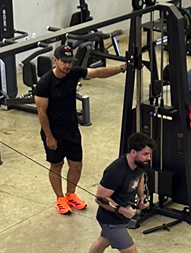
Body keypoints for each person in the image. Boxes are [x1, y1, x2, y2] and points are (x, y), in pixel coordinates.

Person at [34, 44, 126, 215]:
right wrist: (49, 136)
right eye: (64, 61)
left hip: (72, 130)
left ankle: (71, 194)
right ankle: (60, 198)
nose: (67, 65)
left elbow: (97, 73)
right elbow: (41, 112)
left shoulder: (74, 73)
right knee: (57, 165)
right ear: (55, 60)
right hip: (54, 132)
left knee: (76, 165)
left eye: (70, 62)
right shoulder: (45, 83)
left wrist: (121, 68)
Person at [75, 132, 158, 253]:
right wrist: (122, 209)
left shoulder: (139, 165)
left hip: (120, 217)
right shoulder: (115, 171)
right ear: (133, 152)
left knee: (102, 242)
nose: (148, 158)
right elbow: (100, 198)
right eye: (145, 154)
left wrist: (141, 198)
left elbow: (140, 178)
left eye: (149, 154)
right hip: (110, 220)